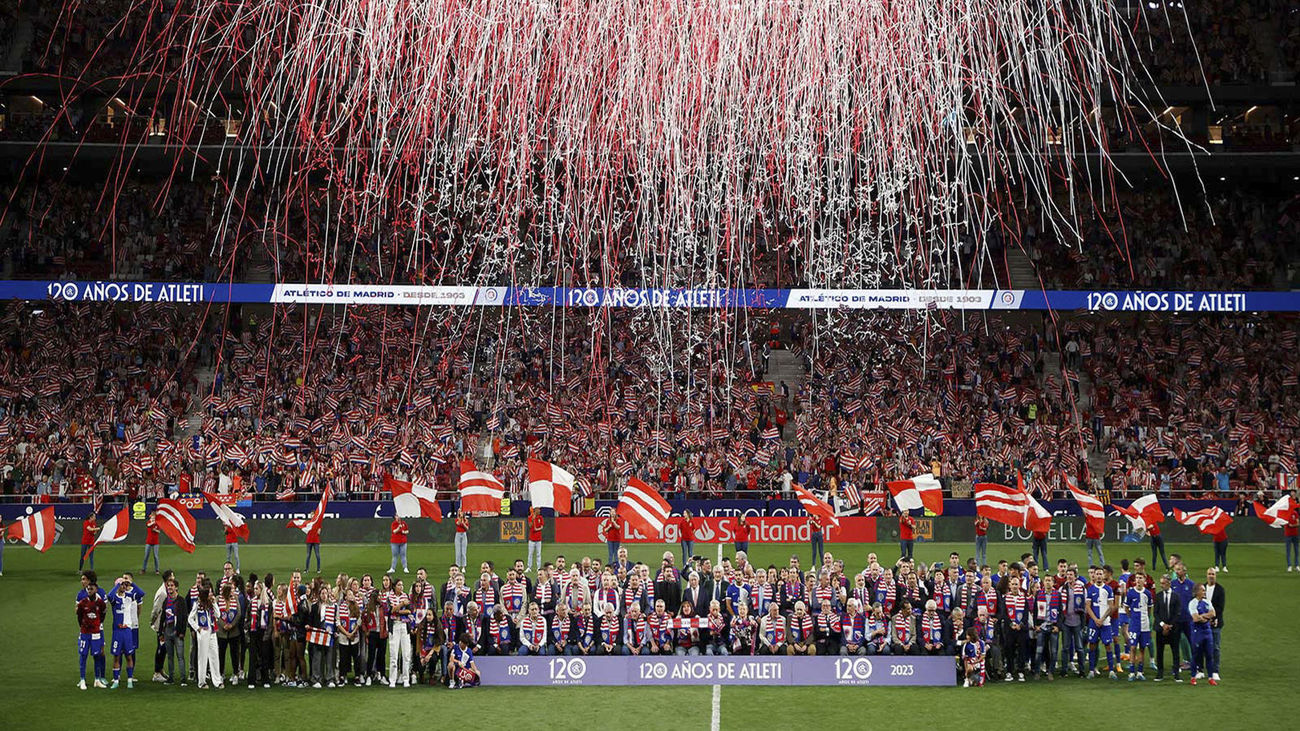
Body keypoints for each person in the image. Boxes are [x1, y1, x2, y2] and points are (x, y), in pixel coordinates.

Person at [105, 575, 143, 688]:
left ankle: (130, 680)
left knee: (129, 656)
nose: (123, 586)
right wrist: (117, 585)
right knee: (116, 656)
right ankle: (116, 680)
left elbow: (141, 593)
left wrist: (130, 583)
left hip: (127, 630)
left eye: (124, 585)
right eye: (121, 584)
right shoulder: (114, 599)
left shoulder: (129, 597)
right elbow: (109, 595)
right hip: (117, 631)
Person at [1084, 567, 1117, 679]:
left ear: (1103, 576)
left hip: (1106, 622)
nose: (1098, 576)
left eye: (1100, 574)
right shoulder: (1090, 589)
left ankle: (1112, 671)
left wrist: (1102, 619)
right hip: (1094, 623)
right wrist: (1095, 620)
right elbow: (1088, 607)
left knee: (1108, 645)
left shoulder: (1108, 589)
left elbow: (1111, 607)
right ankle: (1092, 670)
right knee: (1092, 645)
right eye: (1097, 574)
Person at [76, 580, 108, 689]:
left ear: (96, 590)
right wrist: (83, 626)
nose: (89, 590)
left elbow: (103, 615)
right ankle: (82, 680)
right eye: (88, 589)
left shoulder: (101, 603)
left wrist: (96, 624)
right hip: (85, 633)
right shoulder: (82, 603)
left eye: (91, 589)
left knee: (97, 656)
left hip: (96, 633)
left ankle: (97, 680)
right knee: (83, 655)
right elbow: (79, 617)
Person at [189, 585, 222, 689]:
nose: (212, 594)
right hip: (203, 633)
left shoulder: (211, 604)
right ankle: (202, 682)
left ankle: (217, 681)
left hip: (212, 632)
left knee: (215, 656)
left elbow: (218, 615)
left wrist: (215, 603)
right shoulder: (197, 605)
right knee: (202, 657)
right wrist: (197, 628)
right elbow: (190, 618)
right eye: (210, 593)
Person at [1152, 574, 1183, 682]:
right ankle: (1160, 673)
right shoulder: (1158, 596)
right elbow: (1155, 613)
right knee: (1159, 651)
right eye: (1161, 583)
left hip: (1173, 629)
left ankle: (1176, 673)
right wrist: (1163, 625)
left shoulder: (1176, 596)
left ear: (1169, 583)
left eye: (1164, 583)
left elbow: (1177, 613)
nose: (1162, 586)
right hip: (1161, 629)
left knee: (1175, 652)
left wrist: (1169, 626)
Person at [1187, 584, 1218, 685]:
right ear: (1197, 592)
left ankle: (1210, 677)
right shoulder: (1192, 603)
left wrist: (1202, 616)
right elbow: (1195, 619)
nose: (1204, 592)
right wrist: (1206, 618)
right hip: (1197, 632)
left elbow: (1213, 613)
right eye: (1202, 590)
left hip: (1207, 632)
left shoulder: (1207, 601)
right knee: (1196, 655)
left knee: (1209, 655)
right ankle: (1193, 676)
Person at [1124, 573, 1152, 681]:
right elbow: (1126, 608)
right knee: (1133, 647)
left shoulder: (1147, 593)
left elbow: (1149, 609)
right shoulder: (1131, 593)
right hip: (1134, 625)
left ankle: (1140, 672)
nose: (1138, 580)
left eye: (1141, 578)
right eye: (1137, 578)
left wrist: (1146, 618)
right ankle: (1131, 672)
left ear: (1144, 580)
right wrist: (1132, 617)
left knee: (1142, 648)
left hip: (1145, 625)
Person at [246, 577, 273, 688]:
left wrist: (267, 635)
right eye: (254, 588)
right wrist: (248, 627)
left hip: (263, 633)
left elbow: (270, 621)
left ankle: (265, 679)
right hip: (253, 632)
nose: (255, 590)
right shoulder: (251, 603)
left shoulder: (268, 603)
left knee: (264, 657)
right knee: (253, 657)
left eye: (257, 589)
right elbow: (247, 619)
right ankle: (251, 680)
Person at [387, 579, 413, 687]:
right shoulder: (390, 597)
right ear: (394, 586)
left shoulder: (406, 595)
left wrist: (397, 611)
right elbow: (390, 611)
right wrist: (402, 604)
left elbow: (409, 611)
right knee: (394, 654)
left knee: (406, 654)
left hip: (404, 626)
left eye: (402, 585)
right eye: (399, 585)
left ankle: (405, 678)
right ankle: (392, 679)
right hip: (394, 626)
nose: (401, 587)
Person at [1204, 567, 1225, 682]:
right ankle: (1200, 670)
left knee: (1215, 647)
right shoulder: (1202, 588)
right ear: (1206, 575)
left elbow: (1220, 608)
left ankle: (1215, 671)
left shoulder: (1220, 590)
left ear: (1215, 576)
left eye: (1213, 574)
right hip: (1203, 623)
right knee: (1202, 647)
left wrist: (1212, 618)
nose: (1211, 576)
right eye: (1209, 574)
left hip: (1216, 623)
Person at [526, 508, 544, 573]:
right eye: (538, 509)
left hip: (538, 539)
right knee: (530, 554)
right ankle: (529, 567)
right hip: (532, 539)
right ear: (535, 510)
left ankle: (538, 567)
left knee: (538, 554)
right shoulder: (530, 517)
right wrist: (533, 520)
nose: (539, 511)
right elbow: (530, 526)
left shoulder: (540, 517)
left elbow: (542, 526)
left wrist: (537, 529)